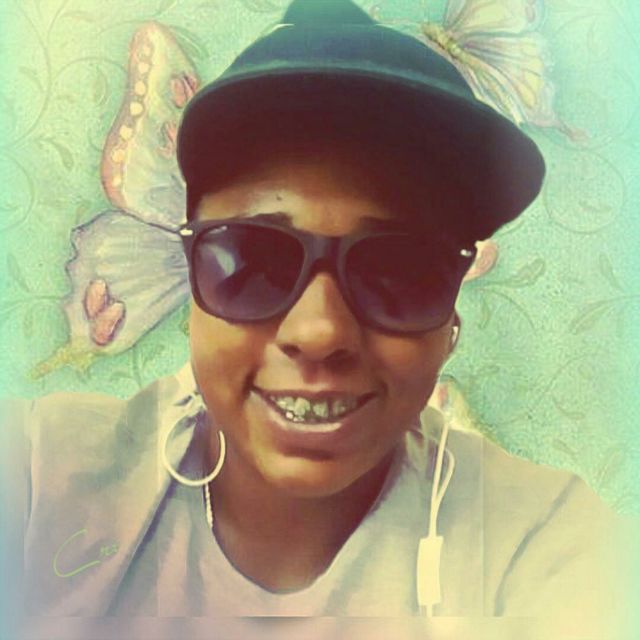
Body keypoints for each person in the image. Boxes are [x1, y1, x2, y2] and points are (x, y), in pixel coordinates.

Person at [1, 0, 638, 639]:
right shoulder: (40, 478)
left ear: (450, 319)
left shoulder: (542, 546)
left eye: (400, 269)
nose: (319, 332)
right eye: (251, 259)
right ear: (192, 270)